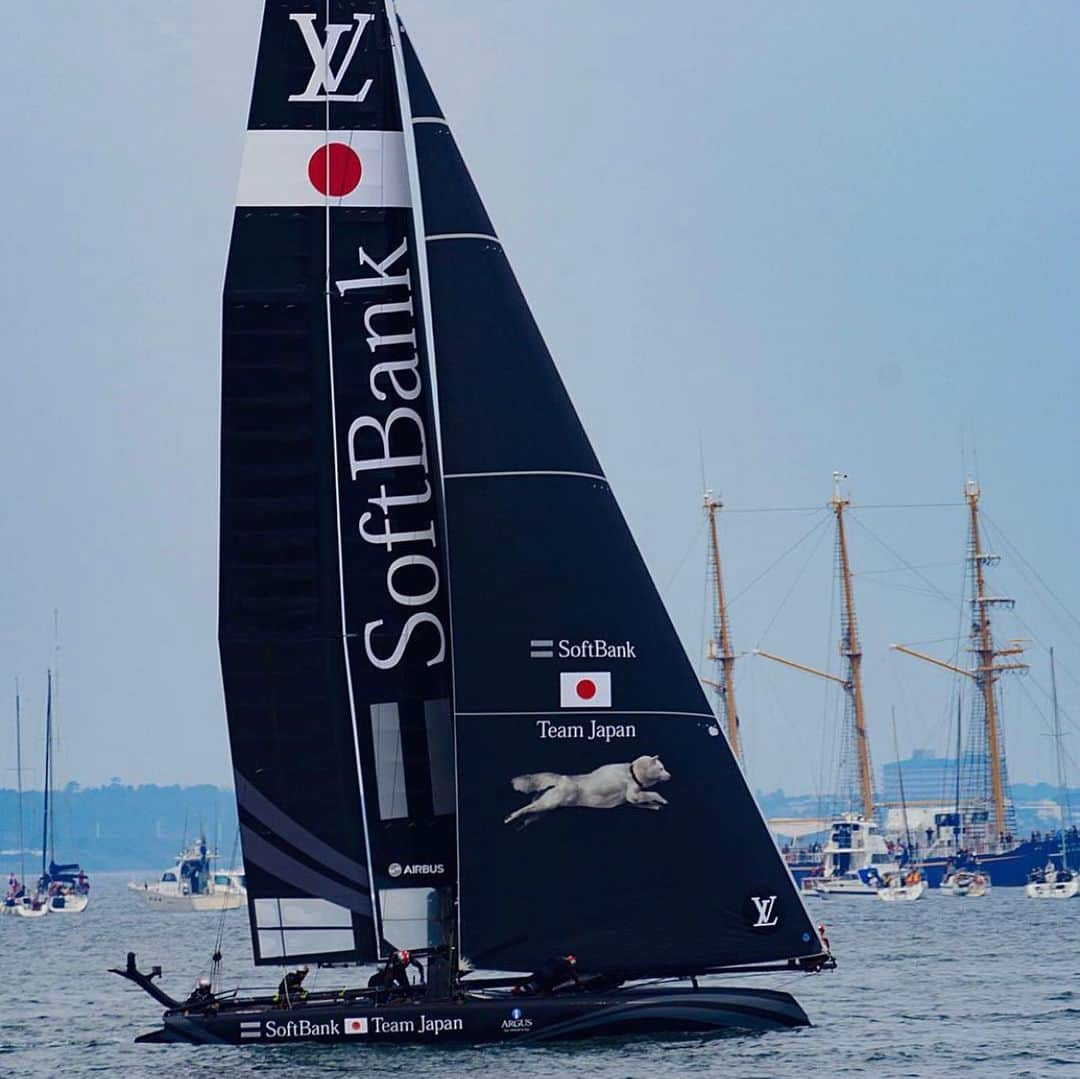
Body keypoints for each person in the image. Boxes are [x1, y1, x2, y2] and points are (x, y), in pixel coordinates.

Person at [512, 955, 581, 996]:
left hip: (544, 971)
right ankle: (542, 994)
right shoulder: (566, 965)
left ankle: (517, 988)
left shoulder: (559, 958)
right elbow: (573, 974)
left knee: (532, 978)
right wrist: (578, 983)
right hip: (548, 975)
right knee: (547, 985)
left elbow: (549, 960)